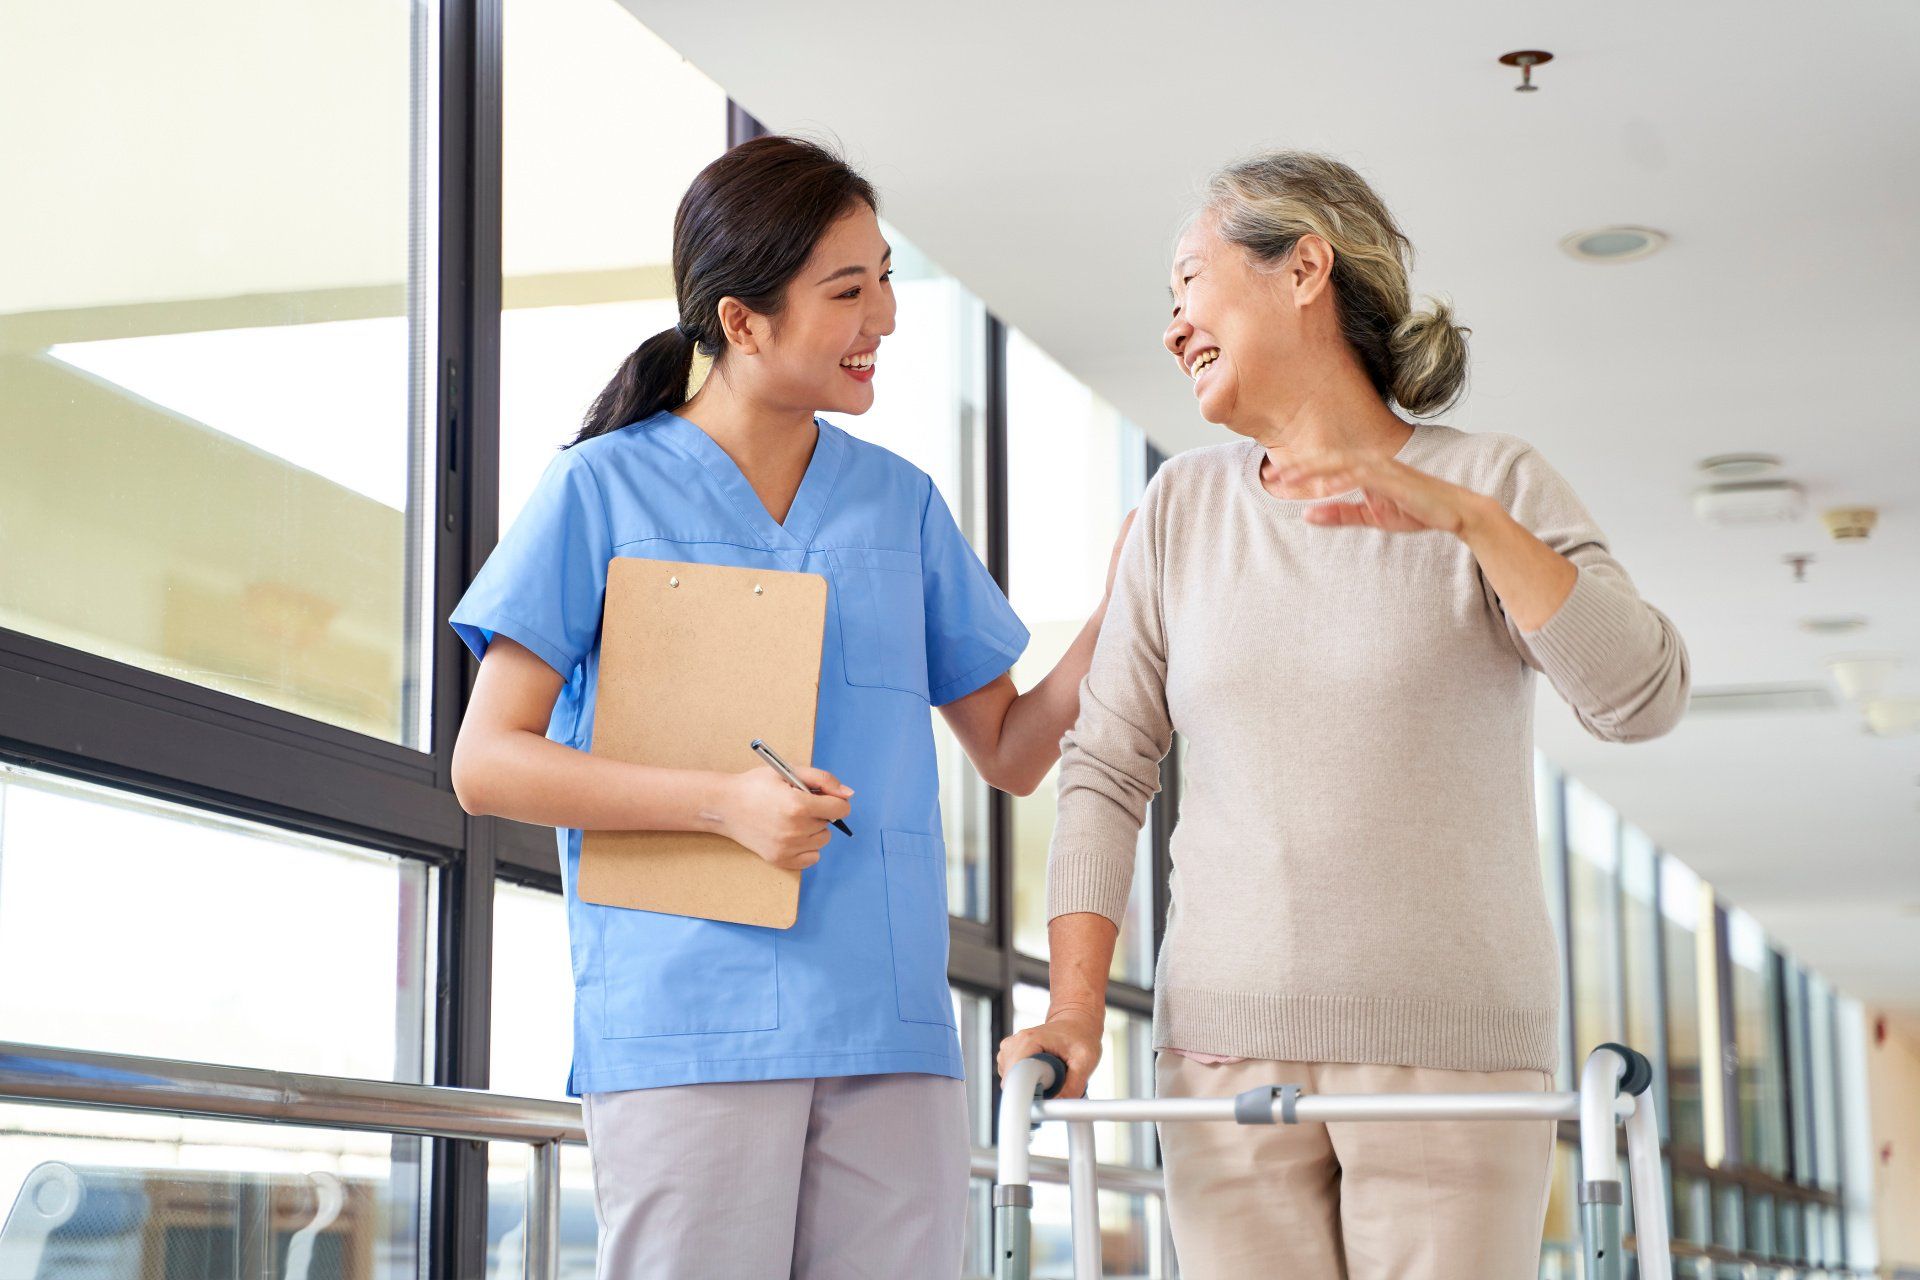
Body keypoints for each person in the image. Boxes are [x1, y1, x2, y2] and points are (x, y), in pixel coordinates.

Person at [997, 150, 1690, 1280]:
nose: (1174, 326)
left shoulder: (1494, 483)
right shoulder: (1181, 506)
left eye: (1189, 283)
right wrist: (1076, 1009)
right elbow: (1107, 766)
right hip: (1221, 1062)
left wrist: (1467, 522)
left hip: (1452, 1061)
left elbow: (1642, 696)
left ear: (1304, 266)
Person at [449, 135, 1128, 1278]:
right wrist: (722, 804)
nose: (888, 318)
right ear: (744, 319)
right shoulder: (600, 489)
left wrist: (1127, 602)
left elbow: (1011, 750)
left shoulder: (896, 504)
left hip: (891, 1026)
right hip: (689, 1026)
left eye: (888, 279)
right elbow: (487, 763)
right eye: (848, 290)